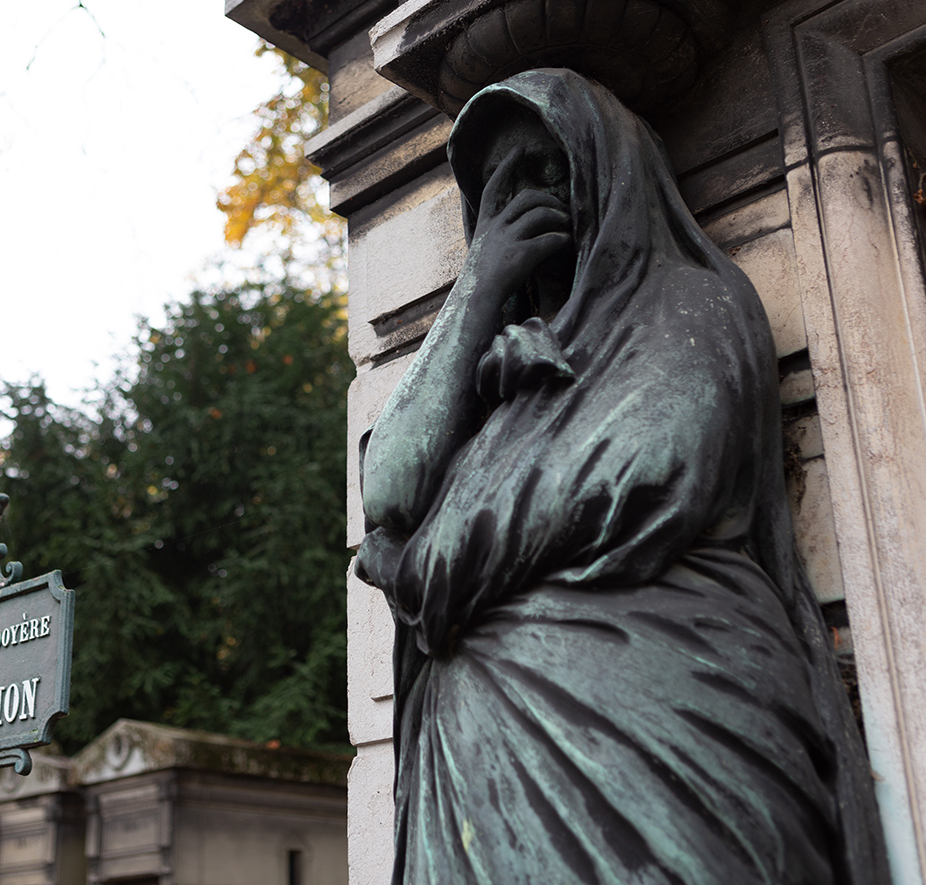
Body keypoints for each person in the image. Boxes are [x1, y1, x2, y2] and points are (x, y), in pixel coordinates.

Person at [356, 69, 888, 884]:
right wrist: (476, 289)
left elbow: (631, 477)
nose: (527, 199)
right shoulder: (496, 364)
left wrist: (415, 568)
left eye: (546, 167)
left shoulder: (692, 307)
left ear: (608, 166)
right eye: (502, 186)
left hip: (670, 732)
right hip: (480, 773)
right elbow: (389, 488)